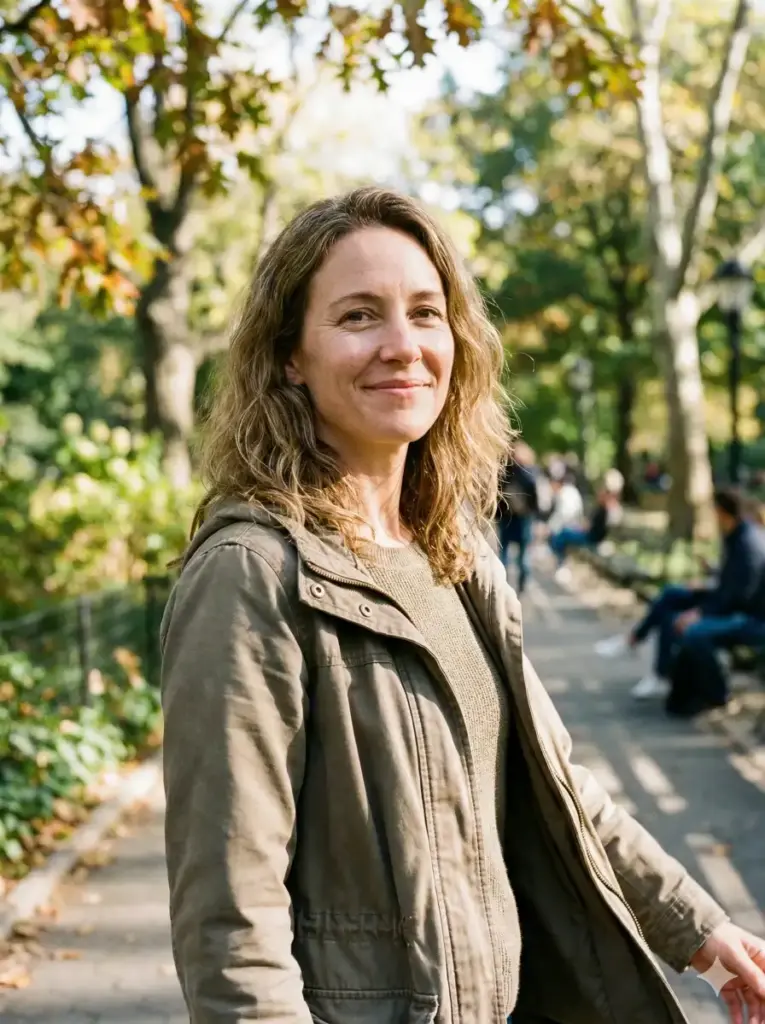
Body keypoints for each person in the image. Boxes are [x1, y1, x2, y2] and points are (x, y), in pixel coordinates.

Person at [160, 188, 765, 1024]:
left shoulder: (455, 556)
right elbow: (233, 917)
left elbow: (555, 782)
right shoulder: (252, 573)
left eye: (425, 313)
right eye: (358, 316)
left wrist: (698, 927)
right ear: (289, 355)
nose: (401, 346)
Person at [598, 487, 765, 706]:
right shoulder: (736, 536)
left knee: (689, 630)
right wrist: (711, 574)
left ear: (722, 512)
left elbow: (740, 595)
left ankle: (717, 694)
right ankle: (641, 649)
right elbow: (733, 580)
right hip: (728, 601)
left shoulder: (747, 544)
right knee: (672, 596)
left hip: (747, 615)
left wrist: (699, 612)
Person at [548, 468, 623, 582]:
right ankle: (561, 564)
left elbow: (598, 528)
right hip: (590, 534)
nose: (600, 491)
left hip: (592, 538)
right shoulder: (604, 507)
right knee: (563, 532)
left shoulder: (608, 508)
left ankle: (561, 564)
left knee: (562, 534)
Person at [496, 440, 539, 594]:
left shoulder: (505, 471)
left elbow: (497, 494)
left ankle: (505, 585)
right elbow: (534, 496)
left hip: (510, 518)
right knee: (522, 555)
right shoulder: (529, 473)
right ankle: (520, 585)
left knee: (507, 554)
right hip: (522, 518)